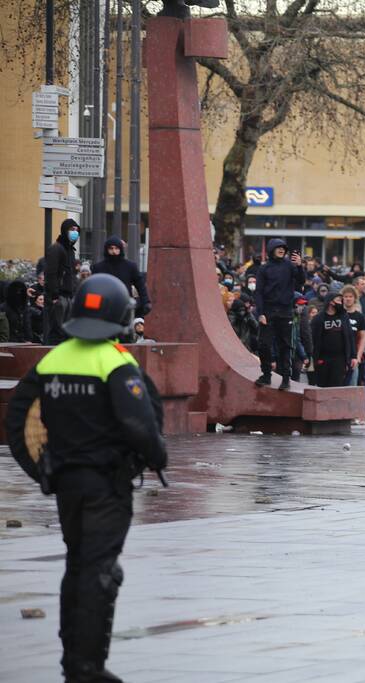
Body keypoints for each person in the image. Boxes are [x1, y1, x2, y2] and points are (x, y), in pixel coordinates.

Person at [5, 274, 167, 682]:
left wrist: (42, 471)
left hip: (66, 485)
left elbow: (18, 419)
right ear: (122, 317)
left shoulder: (53, 360)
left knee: (76, 567)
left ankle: (72, 661)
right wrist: (156, 458)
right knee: (101, 572)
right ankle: (87, 668)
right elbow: (140, 424)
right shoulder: (114, 362)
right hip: (106, 485)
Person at [254, 238, 304, 390]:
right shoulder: (264, 269)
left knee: (285, 346)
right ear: (271, 250)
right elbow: (258, 292)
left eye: (283, 248)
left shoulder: (290, 265)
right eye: (278, 247)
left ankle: (286, 378)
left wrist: (300, 266)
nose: (282, 250)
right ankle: (266, 374)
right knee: (264, 345)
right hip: (268, 311)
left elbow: (301, 281)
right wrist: (260, 313)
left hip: (285, 311)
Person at [91, 236, 151, 318]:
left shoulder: (130, 266)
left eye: (116, 248)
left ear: (120, 249)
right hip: (105, 307)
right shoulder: (98, 267)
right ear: (106, 249)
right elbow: (94, 288)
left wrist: (146, 302)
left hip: (125, 306)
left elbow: (140, 285)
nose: (114, 251)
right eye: (111, 248)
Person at [44, 218, 80, 345]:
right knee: (57, 332)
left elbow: (71, 275)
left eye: (76, 230)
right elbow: (51, 274)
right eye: (72, 229)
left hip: (68, 296)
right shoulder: (56, 249)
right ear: (65, 230)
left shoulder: (70, 250)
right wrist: (54, 295)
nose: (75, 232)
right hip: (59, 297)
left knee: (67, 333)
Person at [311, 292, 357, 388]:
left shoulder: (343, 316)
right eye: (338, 300)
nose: (341, 303)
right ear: (331, 302)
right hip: (323, 358)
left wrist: (353, 356)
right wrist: (314, 358)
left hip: (340, 358)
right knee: (322, 386)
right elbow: (313, 339)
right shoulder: (318, 318)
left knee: (337, 386)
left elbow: (350, 336)